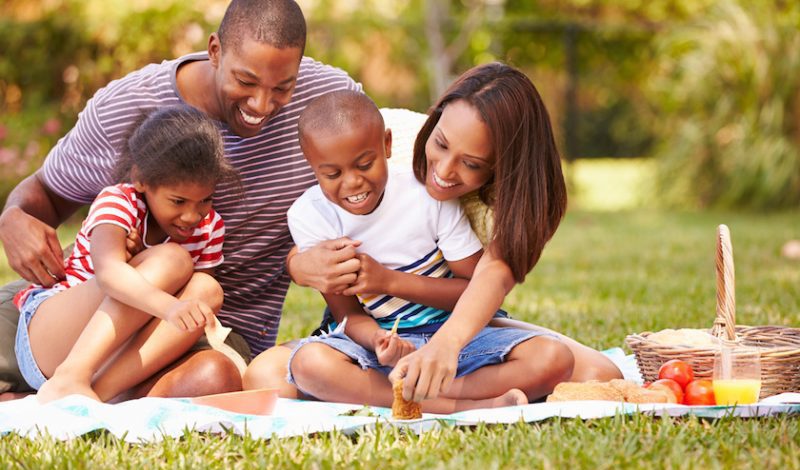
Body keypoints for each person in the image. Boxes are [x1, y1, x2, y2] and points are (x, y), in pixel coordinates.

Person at [0, 0, 360, 400]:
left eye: (282, 87)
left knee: (212, 373)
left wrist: (306, 264)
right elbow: (44, 198)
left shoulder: (328, 101)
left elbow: (375, 187)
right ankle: (65, 379)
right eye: (245, 81)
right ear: (215, 50)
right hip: (83, 316)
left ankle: (76, 397)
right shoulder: (126, 108)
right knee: (171, 262)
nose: (261, 104)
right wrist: (13, 216)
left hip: (193, 333)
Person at [252, 62, 622, 401]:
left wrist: (442, 343)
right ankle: (456, 401)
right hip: (371, 335)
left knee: (590, 371)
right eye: (441, 143)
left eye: (472, 164)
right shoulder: (378, 139)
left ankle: (423, 396)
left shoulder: (518, 201)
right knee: (267, 376)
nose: (442, 172)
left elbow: (487, 280)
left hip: (464, 319)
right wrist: (300, 265)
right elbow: (318, 243)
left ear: (503, 167)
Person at [16, 105, 237, 403]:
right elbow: (109, 274)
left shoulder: (209, 227)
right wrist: (169, 306)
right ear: (141, 179)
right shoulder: (119, 202)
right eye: (178, 201)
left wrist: (189, 314)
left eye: (205, 200)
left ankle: (96, 395)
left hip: (117, 355)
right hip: (53, 337)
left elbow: (191, 302)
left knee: (206, 289)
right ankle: (70, 375)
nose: (191, 215)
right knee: (173, 260)